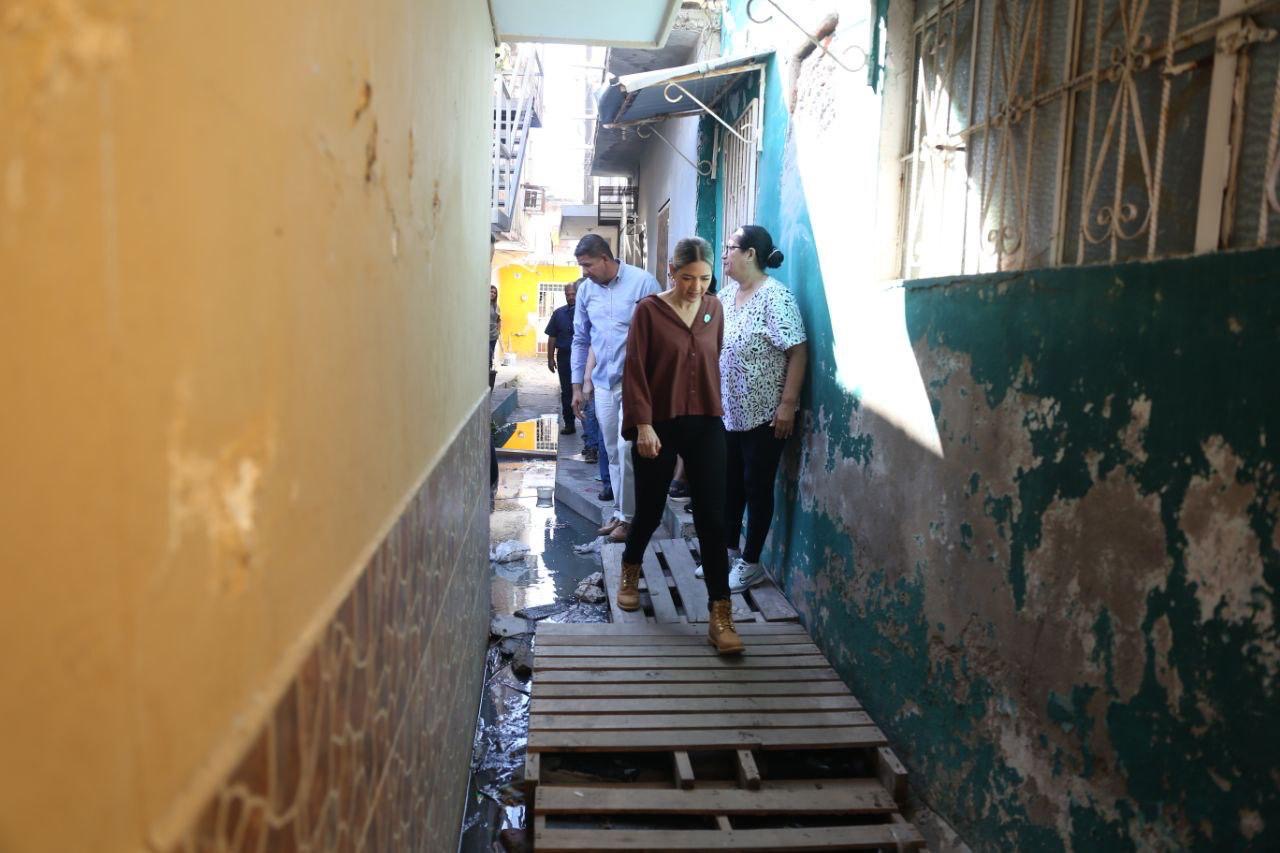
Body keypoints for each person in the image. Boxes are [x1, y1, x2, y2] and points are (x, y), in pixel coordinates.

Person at [619, 237, 743, 655]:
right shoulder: (648, 312)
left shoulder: (714, 309)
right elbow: (635, 369)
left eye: (704, 278)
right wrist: (643, 425)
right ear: (672, 272)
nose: (696, 287)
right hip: (659, 423)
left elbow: (712, 357)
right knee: (651, 509)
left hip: (706, 420)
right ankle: (630, 567)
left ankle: (720, 614)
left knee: (713, 517)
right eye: (688, 277)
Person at [713, 225, 808, 592]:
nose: (724, 255)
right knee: (729, 485)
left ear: (750, 254)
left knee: (757, 486)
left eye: (730, 248)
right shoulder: (726, 296)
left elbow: (797, 351)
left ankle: (751, 563)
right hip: (729, 413)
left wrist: (787, 405)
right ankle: (725, 553)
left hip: (765, 415)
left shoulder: (776, 297)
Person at [570, 234, 661, 542]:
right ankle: (621, 513)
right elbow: (581, 339)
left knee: (627, 449)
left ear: (605, 259)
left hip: (637, 385)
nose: (584, 272)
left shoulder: (643, 283)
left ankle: (631, 519)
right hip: (603, 384)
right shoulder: (586, 291)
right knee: (611, 451)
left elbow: (661, 336)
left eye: (588, 265)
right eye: (581, 266)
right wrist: (577, 386)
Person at [545, 280, 580, 435]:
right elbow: (552, 336)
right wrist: (550, 358)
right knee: (566, 391)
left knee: (586, 391)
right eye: (568, 294)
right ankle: (569, 424)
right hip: (565, 357)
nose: (571, 297)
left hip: (583, 358)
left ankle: (589, 430)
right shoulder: (558, 313)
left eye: (573, 294)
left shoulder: (587, 311)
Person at [489, 284, 501, 368]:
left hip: (493, 335)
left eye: (494, 293)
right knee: (487, 354)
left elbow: (499, 320)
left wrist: (498, 332)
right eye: (491, 291)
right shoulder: (483, 304)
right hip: (485, 335)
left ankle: (489, 372)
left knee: (490, 355)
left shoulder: (496, 306)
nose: (493, 294)